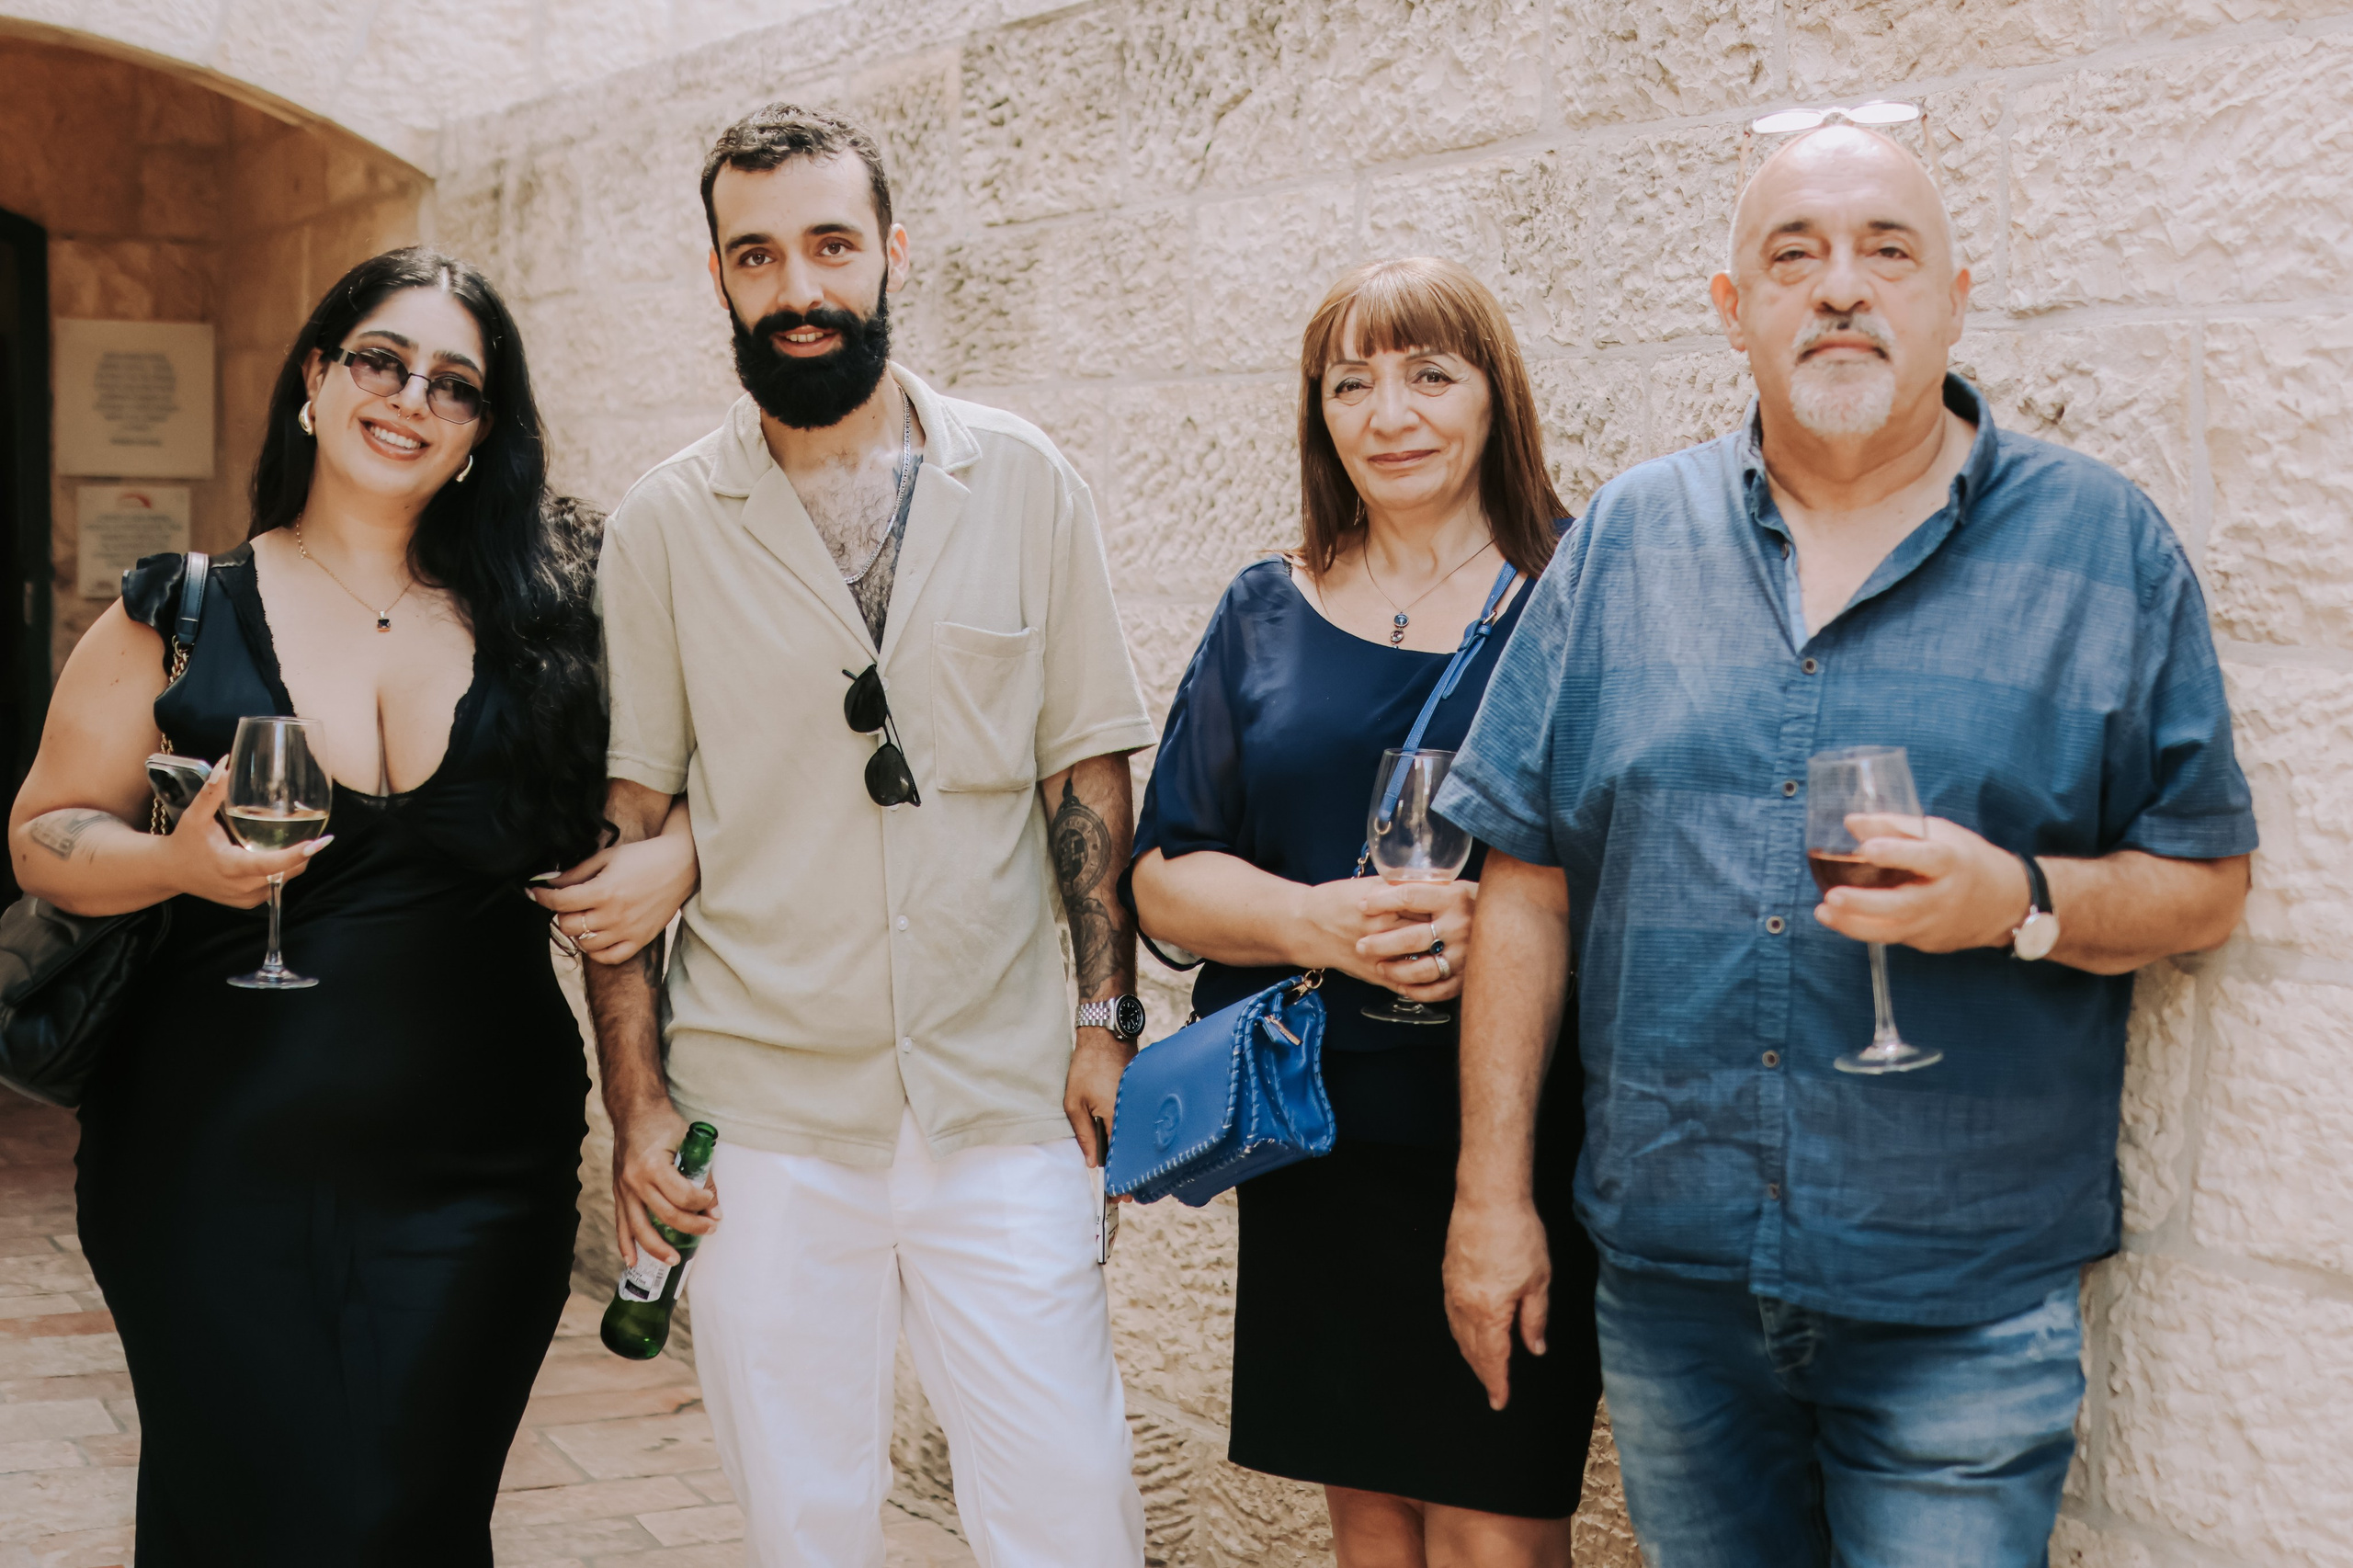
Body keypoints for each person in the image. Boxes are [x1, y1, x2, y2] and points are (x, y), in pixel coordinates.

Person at [1436, 122, 2256, 1565]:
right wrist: (1490, 1195)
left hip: (1962, 1294)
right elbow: (1527, 881)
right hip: (1675, 1285)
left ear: (1954, 294)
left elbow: (2208, 881)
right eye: (1792, 255)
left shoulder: (2099, 548)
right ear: (1731, 304)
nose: (1839, 289)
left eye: (1887, 252)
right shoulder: (1626, 542)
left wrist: (2025, 900)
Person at [7, 246, 697, 1563]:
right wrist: (177, 864)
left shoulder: (551, 628)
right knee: (235, 1516)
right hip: (206, 1162)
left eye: (455, 383)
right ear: (316, 383)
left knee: (414, 1518)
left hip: (480, 1177)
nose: (410, 397)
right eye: (381, 359)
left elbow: (654, 838)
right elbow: (42, 835)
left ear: (483, 433)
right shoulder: (180, 611)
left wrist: (641, 1081)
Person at [581, 103, 1157, 1566]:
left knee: (1071, 1510)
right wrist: (637, 1107)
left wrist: (1105, 1019)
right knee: (808, 1523)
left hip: (1003, 1092)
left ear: (891, 253)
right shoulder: (661, 527)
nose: (799, 288)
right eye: (757, 255)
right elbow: (627, 833)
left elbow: (1082, 770)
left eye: (830, 244)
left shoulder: (1027, 480)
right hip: (760, 1117)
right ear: (718, 276)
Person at [1128, 256, 1601, 1568]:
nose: (1390, 411)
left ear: (1495, 396)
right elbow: (1167, 870)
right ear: (1319, 414)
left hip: (1509, 1143)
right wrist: (1313, 923)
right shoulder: (1265, 611)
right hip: (1318, 1141)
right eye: (1353, 382)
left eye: (1430, 374)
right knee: (1374, 1536)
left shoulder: (1574, 596)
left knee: (1498, 1536)